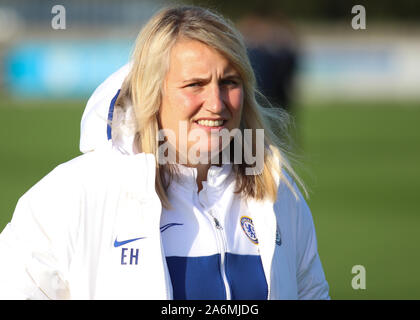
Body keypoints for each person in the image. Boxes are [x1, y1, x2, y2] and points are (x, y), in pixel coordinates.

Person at [0, 5, 329, 300]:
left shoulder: (277, 194)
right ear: (152, 93)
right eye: (194, 84)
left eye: (229, 82)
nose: (216, 104)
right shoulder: (71, 195)